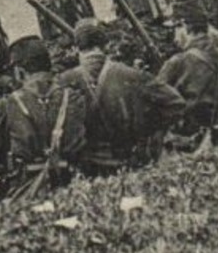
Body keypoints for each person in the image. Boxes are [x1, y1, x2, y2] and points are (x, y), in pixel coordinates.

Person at [58, 18, 186, 174]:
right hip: (133, 166)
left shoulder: (63, 82)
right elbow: (176, 104)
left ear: (77, 48)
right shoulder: (132, 75)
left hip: (89, 174)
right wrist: (150, 134)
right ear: (106, 45)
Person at [0, 38, 88, 199]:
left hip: (28, 189)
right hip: (75, 183)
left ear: (20, 70)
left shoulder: (9, 104)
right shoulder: (73, 96)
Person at [156, 0, 218, 145]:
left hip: (192, 141)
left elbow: (156, 103)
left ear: (184, 26)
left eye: (175, 29)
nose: (174, 36)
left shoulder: (178, 62)